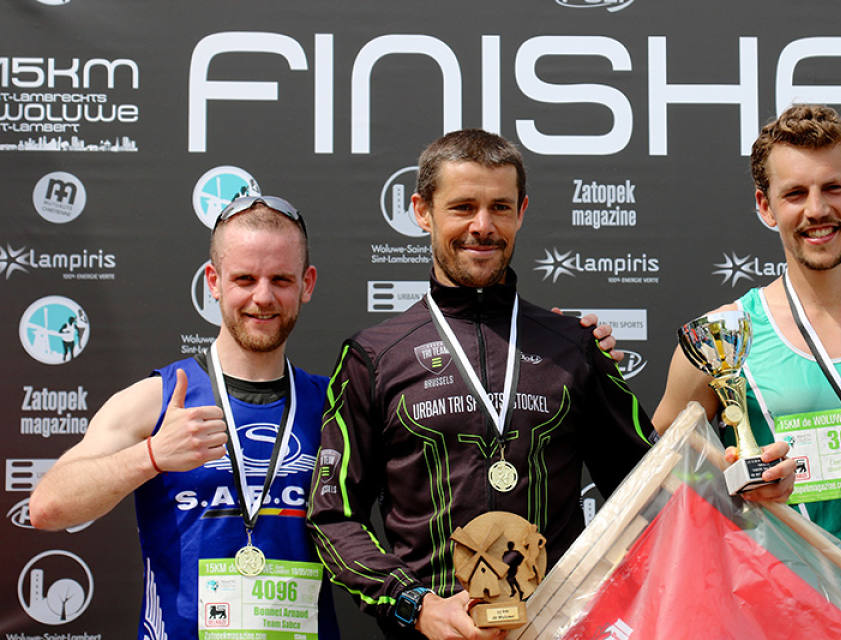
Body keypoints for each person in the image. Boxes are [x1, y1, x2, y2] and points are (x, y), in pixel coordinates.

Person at [307, 129, 791, 640]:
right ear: (422, 211)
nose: (482, 226)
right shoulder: (374, 357)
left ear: (522, 211)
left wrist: (742, 486)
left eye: (500, 207)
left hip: (562, 630)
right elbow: (333, 516)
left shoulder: (573, 346)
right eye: (463, 207)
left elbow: (655, 488)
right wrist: (417, 605)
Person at [652, 104, 841, 608]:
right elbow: (655, 483)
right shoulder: (720, 339)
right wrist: (735, 483)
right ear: (766, 207)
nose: (817, 210)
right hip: (778, 624)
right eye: (795, 194)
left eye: (833, 188)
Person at [29, 195, 341, 639]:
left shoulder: (334, 406)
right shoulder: (155, 399)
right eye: (244, 278)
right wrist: (152, 455)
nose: (263, 296)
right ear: (213, 281)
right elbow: (47, 507)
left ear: (306, 284)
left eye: (281, 279)